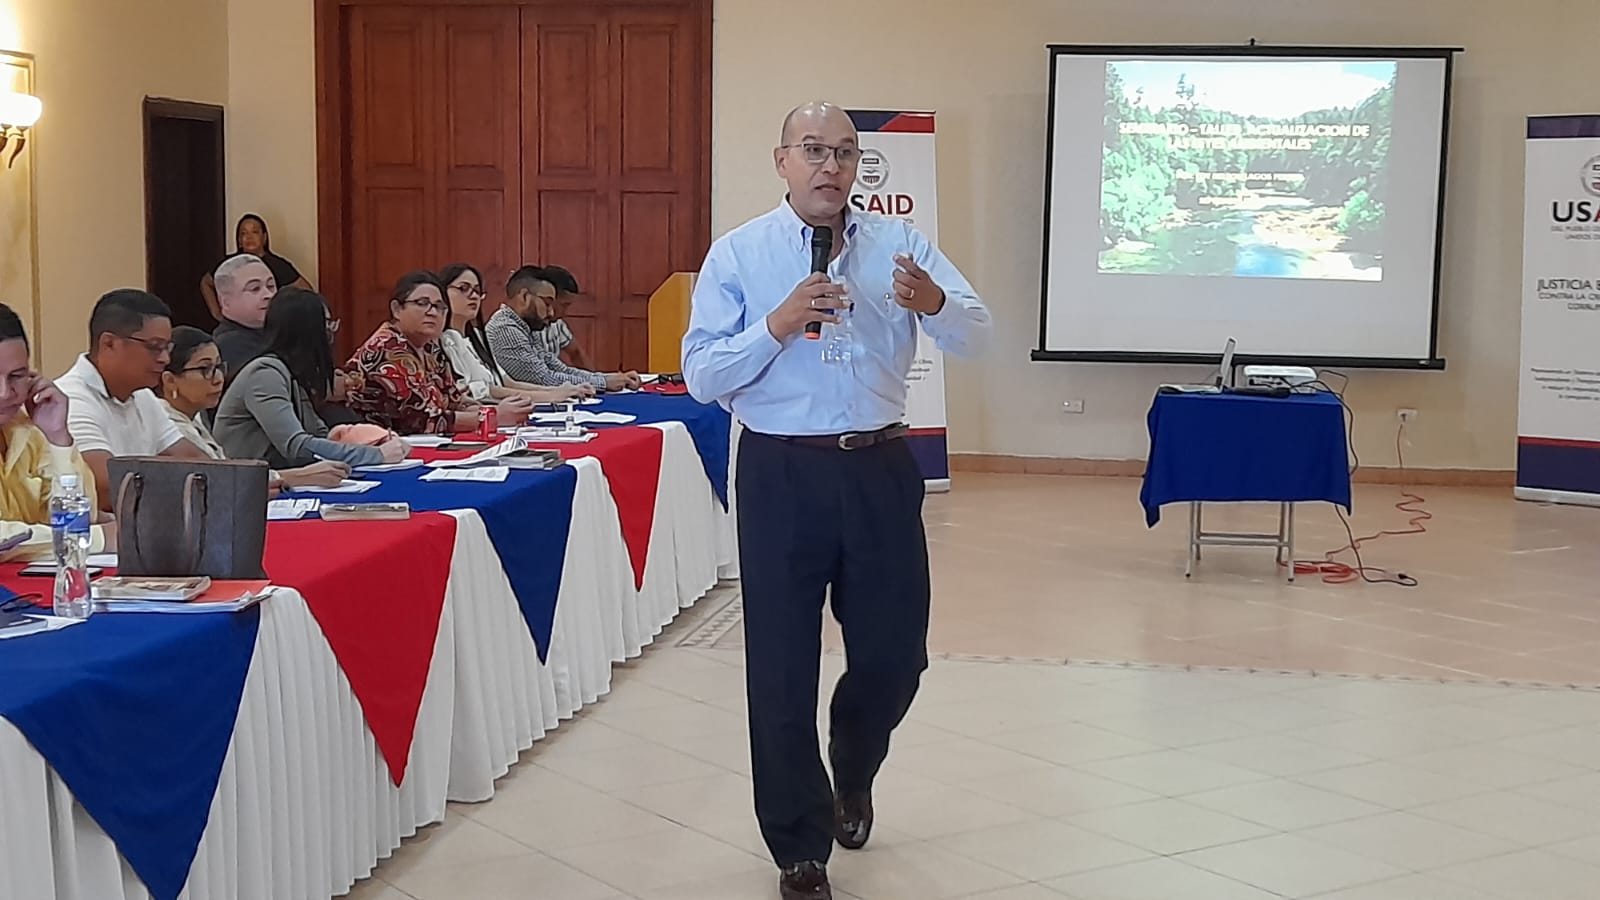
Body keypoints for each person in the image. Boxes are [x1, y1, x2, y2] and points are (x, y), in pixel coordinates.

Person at [680, 101, 991, 900]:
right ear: (782, 160)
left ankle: (853, 769)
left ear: (858, 167)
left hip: (880, 465)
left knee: (895, 657)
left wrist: (936, 305)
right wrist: (778, 324)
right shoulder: (739, 254)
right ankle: (799, 846)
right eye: (814, 149)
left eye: (845, 153)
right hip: (781, 472)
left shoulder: (899, 245)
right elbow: (703, 376)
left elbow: (980, 334)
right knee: (781, 665)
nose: (830, 166)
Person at [55, 289, 213, 511]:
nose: (165, 358)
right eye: (154, 347)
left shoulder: (143, 395)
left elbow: (197, 462)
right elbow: (107, 489)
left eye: (167, 348)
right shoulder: (69, 399)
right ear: (109, 343)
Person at [217, 288, 410, 469]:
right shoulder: (265, 374)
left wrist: (366, 438)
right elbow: (297, 447)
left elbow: (318, 434)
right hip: (249, 484)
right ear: (310, 330)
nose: (331, 333)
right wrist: (376, 455)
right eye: (327, 324)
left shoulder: (290, 372)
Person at [162, 324, 358, 485]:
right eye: (205, 369)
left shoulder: (194, 415)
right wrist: (298, 476)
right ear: (170, 380)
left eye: (219, 366)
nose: (218, 378)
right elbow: (218, 482)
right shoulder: (167, 425)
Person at [345, 271, 527, 435]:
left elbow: (454, 401)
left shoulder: (430, 348)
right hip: (382, 446)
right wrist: (492, 416)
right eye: (422, 303)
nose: (432, 312)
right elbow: (421, 419)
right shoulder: (386, 348)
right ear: (397, 309)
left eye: (439, 307)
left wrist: (496, 410)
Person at [0, 302, 116, 559]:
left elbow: (82, 514)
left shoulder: (26, 427)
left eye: (16, 376)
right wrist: (96, 538)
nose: (5, 393)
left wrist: (58, 437)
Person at [437, 263, 593, 405]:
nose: (473, 296)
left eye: (477, 291)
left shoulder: (478, 337)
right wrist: (550, 395)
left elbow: (506, 381)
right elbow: (483, 390)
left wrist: (557, 392)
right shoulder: (446, 341)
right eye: (463, 288)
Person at [484, 266, 640, 392]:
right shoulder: (505, 329)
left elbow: (559, 368)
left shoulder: (525, 327)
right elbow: (544, 379)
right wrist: (603, 383)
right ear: (525, 297)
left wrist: (607, 378)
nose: (551, 313)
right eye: (547, 304)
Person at [199, 213, 312, 322]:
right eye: (244, 233)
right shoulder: (230, 264)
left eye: (255, 232)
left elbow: (307, 292)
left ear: (264, 237)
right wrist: (217, 313)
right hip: (236, 325)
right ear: (239, 240)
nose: (249, 237)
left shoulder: (278, 265)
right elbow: (206, 282)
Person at [208, 253, 278, 378]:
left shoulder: (279, 331)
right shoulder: (229, 346)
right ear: (226, 302)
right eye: (255, 288)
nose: (268, 295)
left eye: (271, 286)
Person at [532, 264, 593, 369]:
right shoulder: (522, 328)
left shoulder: (557, 324)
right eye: (564, 305)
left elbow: (576, 353)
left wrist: (596, 377)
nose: (565, 313)